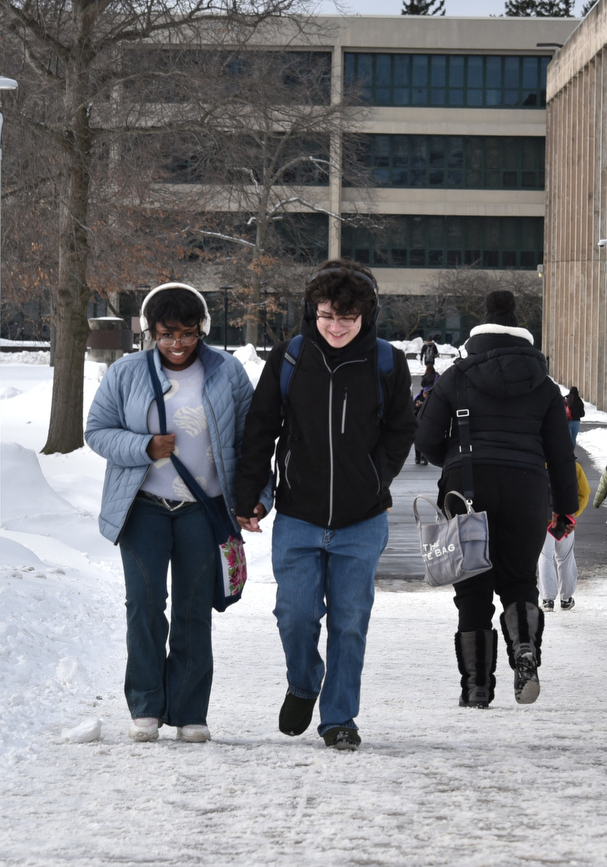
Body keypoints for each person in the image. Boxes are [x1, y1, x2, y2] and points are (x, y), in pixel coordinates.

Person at [236, 260, 416, 752]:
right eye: (326, 316)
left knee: (349, 622)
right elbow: (260, 428)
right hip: (298, 515)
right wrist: (249, 494)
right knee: (294, 615)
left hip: (363, 521)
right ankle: (303, 682)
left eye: (347, 318)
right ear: (312, 313)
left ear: (366, 316)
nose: (336, 327)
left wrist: (376, 476)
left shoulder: (385, 362)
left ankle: (339, 718)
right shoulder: (290, 358)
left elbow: (402, 430)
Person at [85, 283, 255, 745]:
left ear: (202, 328)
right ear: (149, 332)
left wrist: (254, 497)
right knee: (144, 605)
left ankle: (189, 711)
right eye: (165, 334)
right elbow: (96, 431)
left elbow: (250, 440)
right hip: (143, 508)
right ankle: (146, 706)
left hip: (204, 509)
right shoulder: (126, 373)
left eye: (186, 333)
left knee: (194, 608)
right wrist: (144, 447)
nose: (176, 343)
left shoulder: (229, 372)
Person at [415, 291, 578, 708]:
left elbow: (427, 438)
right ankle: (525, 650)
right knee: (520, 580)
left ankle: (476, 688)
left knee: (472, 591)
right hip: (526, 491)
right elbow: (560, 456)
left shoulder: (456, 376)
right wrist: (564, 511)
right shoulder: (543, 386)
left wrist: (455, 456)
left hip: (468, 488)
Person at [538, 453, 590, 612]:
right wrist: (574, 514)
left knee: (544, 556)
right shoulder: (574, 467)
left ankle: (547, 600)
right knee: (565, 556)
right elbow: (584, 493)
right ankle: (566, 598)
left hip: (543, 519)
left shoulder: (539, 466)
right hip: (564, 519)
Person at [412, 364, 438, 465]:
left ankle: (423, 457)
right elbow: (412, 408)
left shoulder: (431, 400)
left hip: (426, 423)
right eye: (425, 392)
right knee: (418, 441)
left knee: (423, 441)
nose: (425, 394)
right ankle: (418, 457)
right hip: (418, 422)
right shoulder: (419, 398)